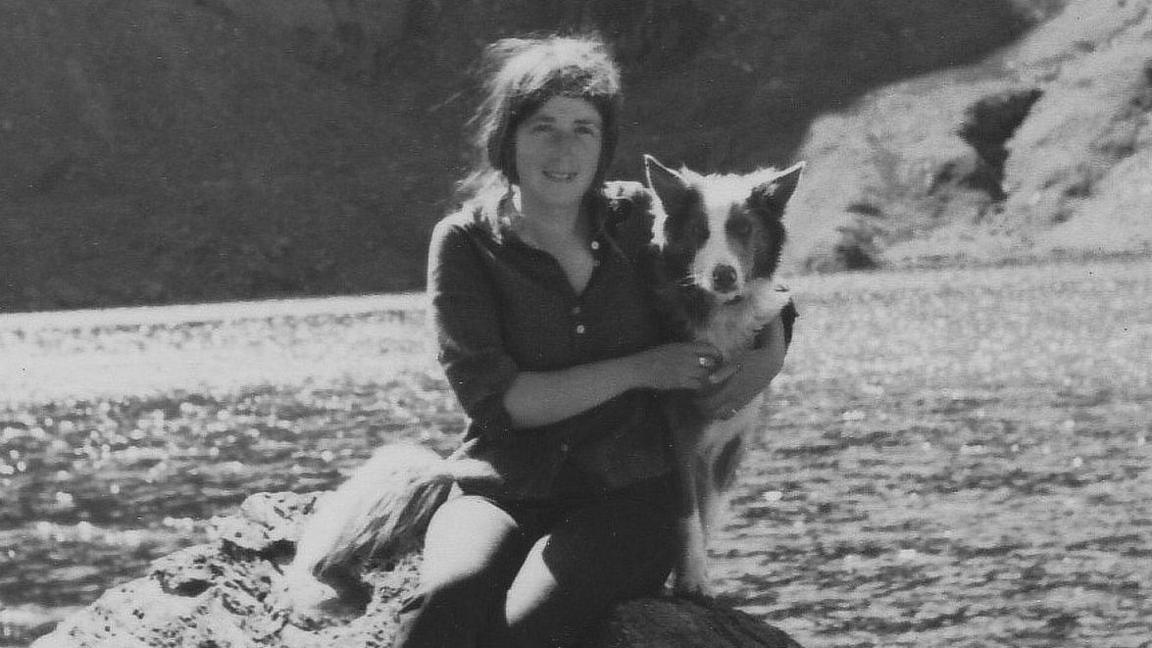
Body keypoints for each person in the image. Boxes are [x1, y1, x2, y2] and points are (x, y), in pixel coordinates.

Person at [396, 34, 791, 648]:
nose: (563, 147)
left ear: (605, 144)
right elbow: (501, 403)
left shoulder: (638, 220)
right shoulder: (464, 243)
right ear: (508, 137)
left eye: (584, 128)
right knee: (442, 615)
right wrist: (642, 369)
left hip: (628, 499)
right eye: (543, 126)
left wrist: (771, 350)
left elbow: (741, 278)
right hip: (501, 487)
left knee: (520, 631)